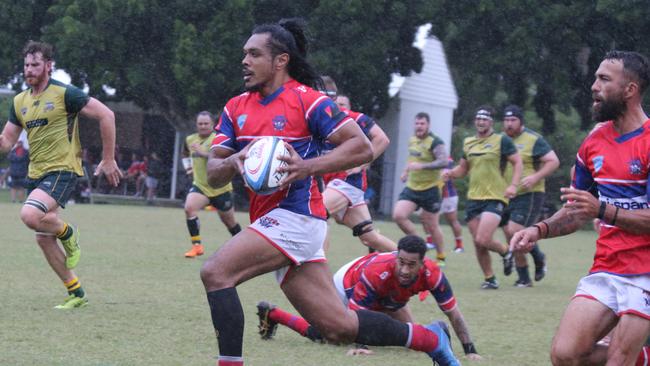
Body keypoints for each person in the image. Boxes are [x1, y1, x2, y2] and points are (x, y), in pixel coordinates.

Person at [202, 18, 459, 366]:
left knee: (216, 272)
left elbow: (362, 147)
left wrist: (307, 167)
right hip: (273, 223)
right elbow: (214, 174)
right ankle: (431, 338)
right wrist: (235, 161)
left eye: (254, 54)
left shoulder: (308, 101)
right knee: (338, 327)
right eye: (244, 54)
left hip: (298, 218)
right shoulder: (236, 108)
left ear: (281, 61)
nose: (244, 61)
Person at [511, 50, 650, 365]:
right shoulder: (594, 143)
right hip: (607, 265)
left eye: (604, 79)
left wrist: (602, 210)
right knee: (565, 354)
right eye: (595, 77)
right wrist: (538, 230)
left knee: (618, 358)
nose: (594, 86)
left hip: (646, 271)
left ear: (630, 90)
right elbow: (579, 209)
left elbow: (597, 209)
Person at [0, 41, 121, 309]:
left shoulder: (66, 94)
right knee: (43, 237)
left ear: (48, 66)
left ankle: (68, 232)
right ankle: (76, 293)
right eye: (26, 65)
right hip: (36, 175)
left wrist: (109, 158)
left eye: (35, 64)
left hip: (63, 170)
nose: (29, 70)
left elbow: (107, 115)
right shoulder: (20, 101)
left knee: (30, 216)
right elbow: (7, 142)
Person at [256, 234, 482, 361]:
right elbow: (356, 316)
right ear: (396, 257)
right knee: (329, 335)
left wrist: (470, 350)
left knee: (413, 341)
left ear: (423, 264)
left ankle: (436, 333)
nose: (404, 269)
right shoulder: (378, 272)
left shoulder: (433, 275)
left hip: (391, 297)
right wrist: (360, 344)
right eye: (400, 262)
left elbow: (453, 313)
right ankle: (273, 313)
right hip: (346, 286)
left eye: (411, 265)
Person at [442, 106, 521, 289]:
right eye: (478, 119)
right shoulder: (469, 142)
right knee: (478, 244)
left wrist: (513, 185)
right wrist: (450, 173)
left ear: (491, 122)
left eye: (485, 119)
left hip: (495, 197)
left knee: (482, 239)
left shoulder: (502, 140)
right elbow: (463, 169)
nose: (481, 122)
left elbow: (517, 163)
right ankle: (490, 278)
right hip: (473, 198)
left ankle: (505, 252)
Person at [319, 78, 395, 253]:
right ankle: (418, 266)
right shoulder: (316, 121)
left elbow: (382, 139)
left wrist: (362, 163)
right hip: (332, 185)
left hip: (347, 183)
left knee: (317, 213)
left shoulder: (350, 118)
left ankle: (316, 268)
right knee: (369, 237)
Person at [500, 104, 560, 287]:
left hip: (530, 193)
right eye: (506, 120)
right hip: (507, 193)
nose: (509, 124)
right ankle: (524, 277)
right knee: (511, 235)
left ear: (521, 122)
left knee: (514, 230)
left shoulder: (533, 139)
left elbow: (553, 161)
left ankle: (538, 257)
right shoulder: (502, 139)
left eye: (513, 120)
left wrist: (535, 177)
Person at [392, 112, 449, 265]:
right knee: (398, 215)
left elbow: (444, 162)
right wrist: (405, 171)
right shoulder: (412, 140)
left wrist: (422, 166)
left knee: (432, 225)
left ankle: (441, 256)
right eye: (417, 123)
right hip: (412, 187)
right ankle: (419, 243)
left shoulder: (435, 142)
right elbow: (412, 160)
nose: (419, 126)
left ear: (428, 125)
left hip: (430, 189)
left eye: (422, 124)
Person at [182, 111, 241, 258]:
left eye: (206, 123)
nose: (202, 126)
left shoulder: (218, 139)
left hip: (221, 187)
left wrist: (203, 154)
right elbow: (184, 153)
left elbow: (226, 158)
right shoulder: (190, 139)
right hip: (201, 186)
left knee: (230, 222)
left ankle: (243, 248)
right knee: (189, 209)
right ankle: (197, 247)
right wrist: (189, 169)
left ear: (212, 125)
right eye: (200, 124)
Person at [439, 157, 465, 253]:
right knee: (427, 218)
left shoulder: (446, 160)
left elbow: (445, 177)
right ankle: (430, 242)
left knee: (452, 220)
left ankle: (459, 246)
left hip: (448, 196)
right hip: (436, 195)